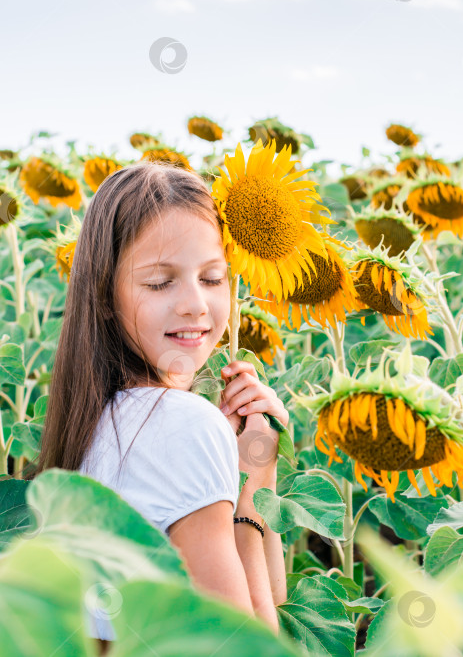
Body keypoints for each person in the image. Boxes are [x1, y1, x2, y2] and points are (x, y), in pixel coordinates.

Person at [31, 161, 289, 652]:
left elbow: (269, 595)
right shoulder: (184, 424)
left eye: (213, 279)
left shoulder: (93, 418)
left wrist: (251, 472)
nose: (195, 304)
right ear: (105, 294)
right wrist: (252, 487)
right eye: (159, 282)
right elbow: (248, 642)